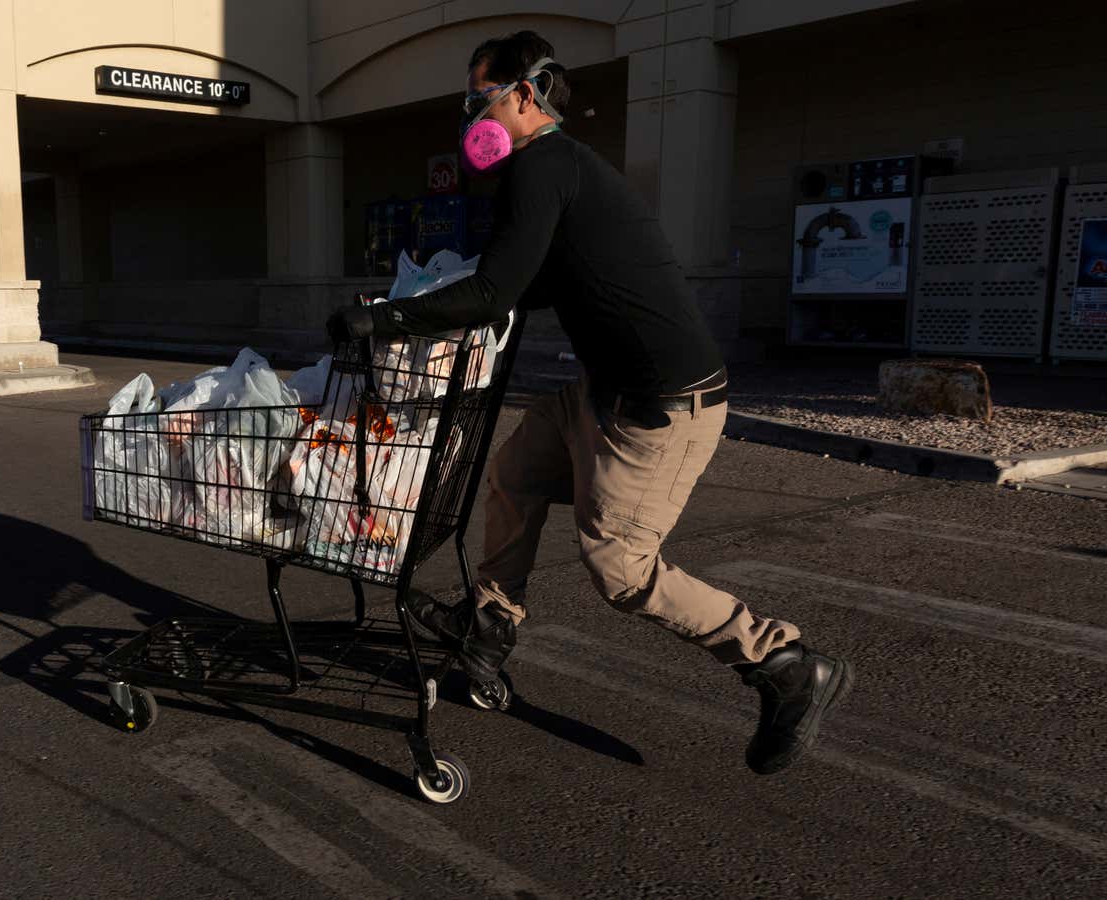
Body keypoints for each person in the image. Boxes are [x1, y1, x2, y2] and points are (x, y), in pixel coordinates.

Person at [325, 31, 853, 775]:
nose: (470, 115)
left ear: (523, 95)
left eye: (479, 99)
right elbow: (538, 281)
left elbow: (494, 291)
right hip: (603, 389)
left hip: (662, 404)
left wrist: (383, 318)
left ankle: (786, 663)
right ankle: (487, 626)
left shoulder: (543, 167)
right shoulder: (558, 168)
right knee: (514, 473)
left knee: (622, 570)